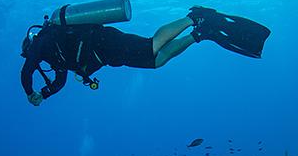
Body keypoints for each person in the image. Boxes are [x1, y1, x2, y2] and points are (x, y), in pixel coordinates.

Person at [20, 6, 271, 106]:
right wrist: (43, 94)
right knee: (156, 61)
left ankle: (194, 17)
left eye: (28, 52)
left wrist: (29, 91)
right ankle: (199, 34)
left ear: (30, 43)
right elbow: (60, 82)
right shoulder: (55, 56)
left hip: (104, 41)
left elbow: (27, 70)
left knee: (152, 45)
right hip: (108, 55)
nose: (31, 56)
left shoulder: (43, 42)